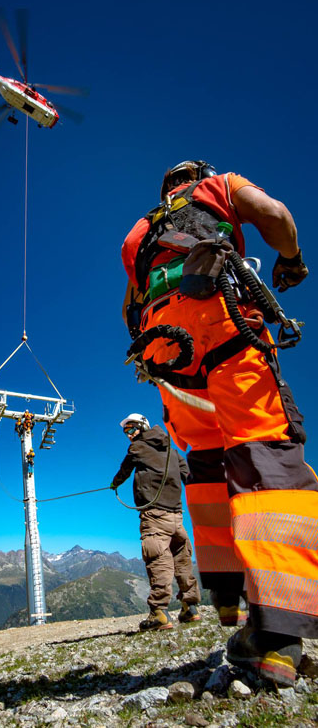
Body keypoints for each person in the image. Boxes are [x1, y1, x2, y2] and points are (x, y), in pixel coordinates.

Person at [121, 160, 317, 686]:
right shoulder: (219, 187)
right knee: (264, 457)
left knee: (205, 469)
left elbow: (129, 311)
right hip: (222, 319)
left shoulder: (137, 235)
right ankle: (279, 637)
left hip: (164, 350)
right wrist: (291, 259)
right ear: (197, 175)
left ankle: (227, 596)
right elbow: (274, 214)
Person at [111, 413, 201, 631]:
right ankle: (190, 608)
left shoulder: (137, 448)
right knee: (182, 560)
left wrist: (114, 484)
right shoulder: (173, 451)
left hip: (154, 515)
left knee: (158, 559)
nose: (129, 435)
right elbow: (187, 476)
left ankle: (159, 613)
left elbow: (124, 470)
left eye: (131, 429)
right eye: (126, 432)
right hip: (177, 517)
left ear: (143, 427)